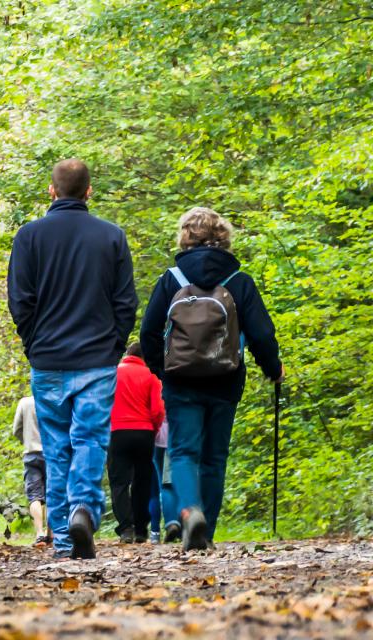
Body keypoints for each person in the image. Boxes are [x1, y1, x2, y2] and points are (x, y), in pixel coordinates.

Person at [8, 159, 138, 559]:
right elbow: (126, 302)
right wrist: (114, 347)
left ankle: (64, 539)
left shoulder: (28, 237)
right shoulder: (112, 237)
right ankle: (84, 508)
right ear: (89, 191)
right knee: (90, 440)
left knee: (57, 447)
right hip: (97, 360)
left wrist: (34, 343)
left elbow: (20, 301)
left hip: (48, 360)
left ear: (52, 190)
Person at [140, 207, 284, 551]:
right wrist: (273, 368)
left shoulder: (171, 279)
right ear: (223, 237)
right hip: (225, 379)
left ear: (185, 236)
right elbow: (261, 334)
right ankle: (208, 530)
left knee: (184, 452)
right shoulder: (238, 281)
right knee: (214, 457)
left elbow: (148, 331)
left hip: (181, 382)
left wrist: (162, 370)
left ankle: (191, 512)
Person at [107, 342, 164, 544]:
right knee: (142, 481)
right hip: (144, 433)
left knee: (119, 481)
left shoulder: (112, 374)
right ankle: (141, 529)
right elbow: (158, 410)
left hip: (118, 432)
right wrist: (153, 429)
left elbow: (104, 402)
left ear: (127, 355)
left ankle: (126, 527)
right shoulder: (151, 376)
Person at [13, 395, 52, 547]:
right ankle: (51, 533)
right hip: (52, 454)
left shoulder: (25, 402)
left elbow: (16, 429)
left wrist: (27, 441)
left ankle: (39, 533)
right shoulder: (53, 400)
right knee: (52, 493)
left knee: (35, 495)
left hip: (31, 454)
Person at [148, 419, 181, 544]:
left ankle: (156, 533)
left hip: (156, 439)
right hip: (176, 437)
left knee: (156, 490)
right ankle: (177, 526)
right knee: (172, 484)